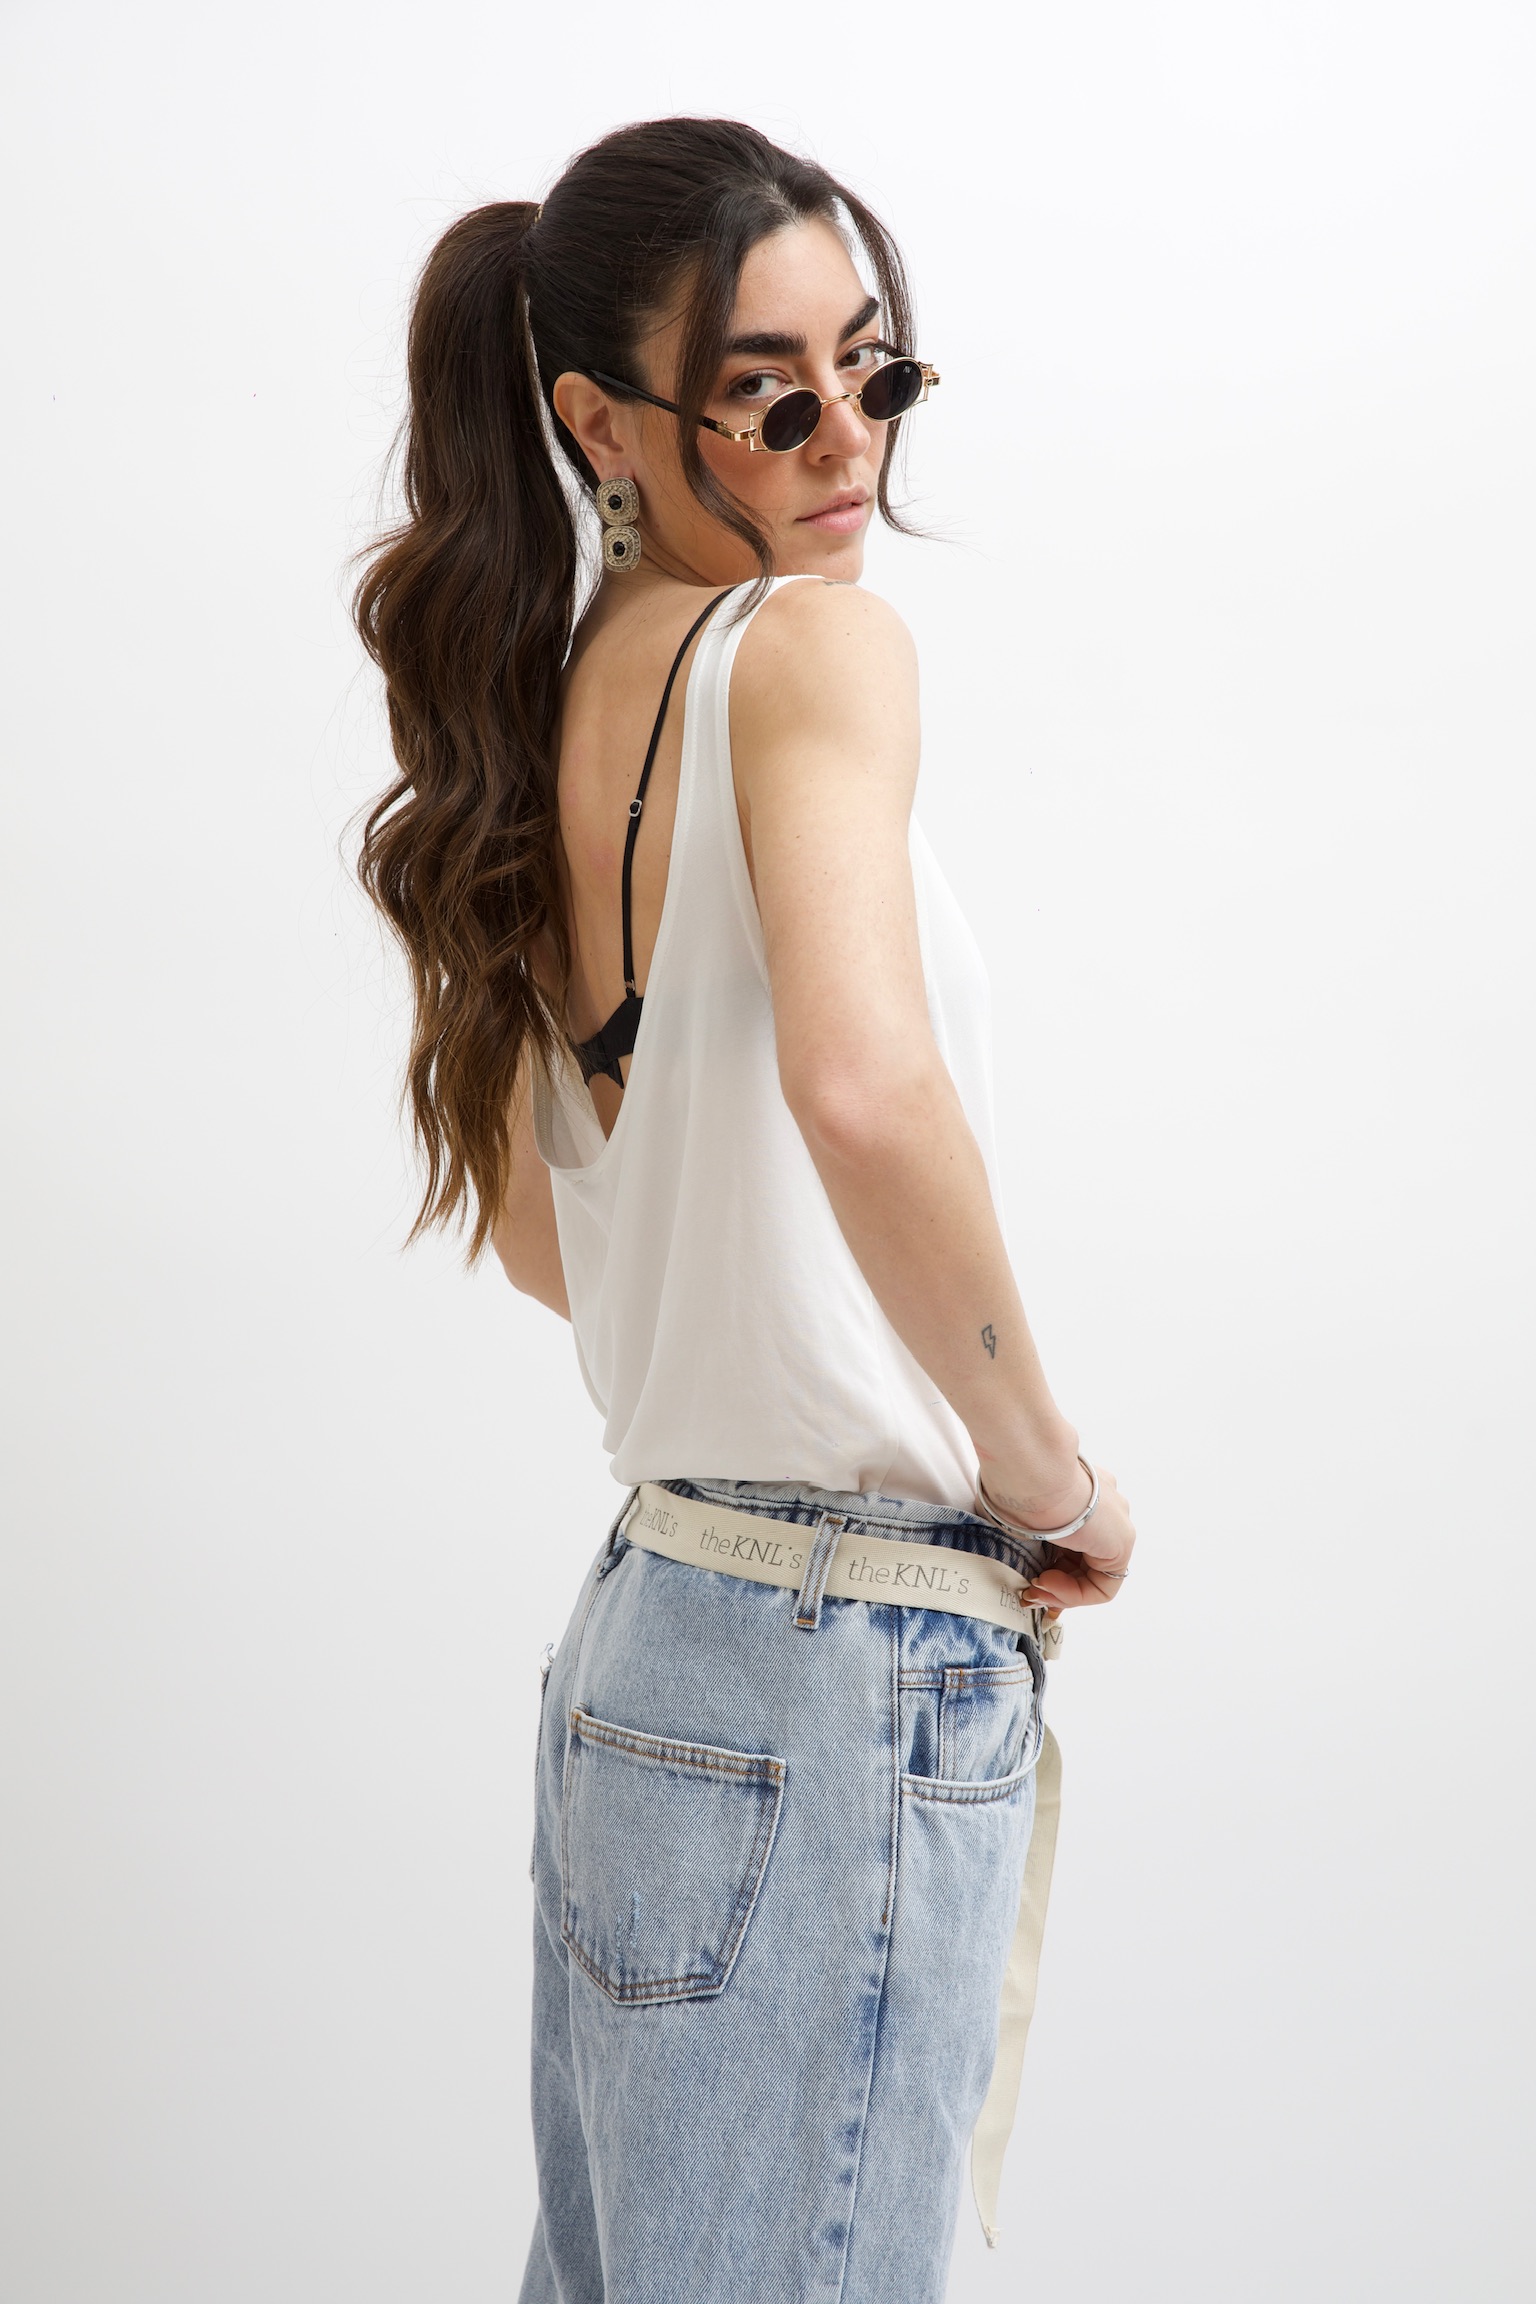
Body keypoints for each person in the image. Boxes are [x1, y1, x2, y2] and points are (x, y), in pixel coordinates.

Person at [354, 115, 1135, 2304]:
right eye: (766, 397)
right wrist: (1046, 1474)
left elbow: (556, 1235)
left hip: (651, 1638)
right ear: (600, 423)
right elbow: (864, 1089)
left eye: (873, 369)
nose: (845, 440)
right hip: (837, 1658)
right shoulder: (807, 656)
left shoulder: (537, 713)